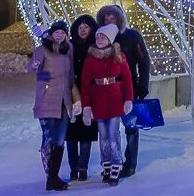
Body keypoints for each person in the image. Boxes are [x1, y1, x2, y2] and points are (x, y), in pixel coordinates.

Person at [96, 5, 150, 178]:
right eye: (106, 19)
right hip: (105, 92)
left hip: (129, 89)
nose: (109, 21)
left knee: (131, 127)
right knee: (108, 131)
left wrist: (143, 85)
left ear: (119, 19)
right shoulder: (100, 38)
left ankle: (130, 163)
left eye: (113, 18)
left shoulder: (132, 36)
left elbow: (144, 61)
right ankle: (112, 163)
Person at [81, 24, 134, 185]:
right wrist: (86, 106)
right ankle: (106, 165)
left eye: (103, 37)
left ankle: (117, 164)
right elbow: (85, 83)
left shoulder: (119, 56)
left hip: (115, 100)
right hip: (98, 101)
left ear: (110, 40)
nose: (99, 40)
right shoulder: (90, 58)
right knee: (103, 136)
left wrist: (128, 99)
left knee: (113, 135)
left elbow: (127, 78)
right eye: (97, 37)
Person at [28, 21, 76, 192]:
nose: (60, 36)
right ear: (51, 33)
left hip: (64, 101)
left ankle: (53, 178)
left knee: (59, 140)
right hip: (47, 100)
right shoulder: (42, 50)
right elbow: (31, 66)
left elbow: (71, 74)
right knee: (48, 139)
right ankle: (51, 176)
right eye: (57, 33)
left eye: (63, 33)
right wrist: (34, 65)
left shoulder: (68, 49)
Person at [65, 14, 97, 182]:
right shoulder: (69, 46)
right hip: (71, 94)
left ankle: (82, 168)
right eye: (80, 27)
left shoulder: (96, 47)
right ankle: (73, 168)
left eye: (87, 27)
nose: (83, 30)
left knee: (86, 132)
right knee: (70, 135)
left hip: (91, 95)